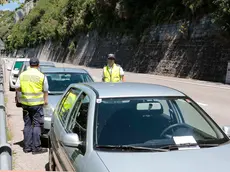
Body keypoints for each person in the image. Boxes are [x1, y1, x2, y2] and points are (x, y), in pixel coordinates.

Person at [15, 58, 48, 154]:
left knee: (27, 124)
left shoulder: (23, 75)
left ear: (30, 65)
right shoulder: (41, 76)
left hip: (25, 104)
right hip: (37, 105)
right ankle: (36, 148)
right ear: (38, 65)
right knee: (37, 125)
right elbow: (45, 89)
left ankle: (27, 147)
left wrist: (23, 91)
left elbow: (16, 87)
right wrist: (45, 101)